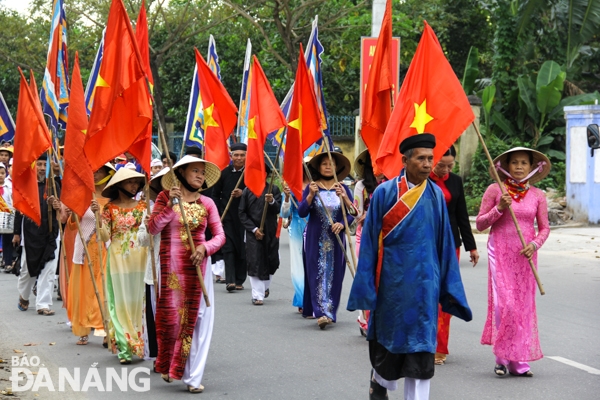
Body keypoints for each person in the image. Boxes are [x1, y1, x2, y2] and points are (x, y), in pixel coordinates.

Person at [347, 134, 472, 400]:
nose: (428, 164)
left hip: (425, 285)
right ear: (405, 160)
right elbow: (369, 244)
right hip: (392, 285)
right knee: (389, 342)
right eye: (421, 158)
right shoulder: (384, 192)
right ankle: (378, 384)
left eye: (431, 158)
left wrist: (448, 286)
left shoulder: (436, 195)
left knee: (421, 351)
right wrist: (367, 287)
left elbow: (445, 245)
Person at [148, 155, 225, 393]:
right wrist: (171, 205)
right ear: (181, 173)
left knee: (199, 321)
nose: (200, 175)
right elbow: (153, 228)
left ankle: (193, 376)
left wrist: (205, 248)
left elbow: (220, 236)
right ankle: (171, 366)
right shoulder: (164, 198)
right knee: (171, 321)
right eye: (195, 171)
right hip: (171, 271)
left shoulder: (208, 203)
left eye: (202, 172)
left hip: (198, 271)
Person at [476, 147, 551, 378]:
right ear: (506, 166)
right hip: (499, 251)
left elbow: (545, 228)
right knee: (504, 306)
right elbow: (480, 223)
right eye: (514, 162)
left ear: (532, 167)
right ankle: (501, 359)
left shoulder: (538, 195)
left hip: (525, 257)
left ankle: (518, 361)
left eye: (524, 163)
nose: (519, 167)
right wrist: (499, 209)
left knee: (522, 309)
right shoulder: (495, 190)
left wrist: (535, 244)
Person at [429, 145, 479, 365]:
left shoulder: (455, 181)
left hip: (450, 245)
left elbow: (461, 215)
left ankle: (440, 347)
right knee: (425, 292)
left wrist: (472, 247)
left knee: (445, 294)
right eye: (442, 165)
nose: (446, 170)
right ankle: (422, 343)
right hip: (425, 243)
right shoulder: (420, 181)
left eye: (451, 165)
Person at [298, 151, 356, 329]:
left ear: (337, 167)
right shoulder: (312, 187)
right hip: (315, 237)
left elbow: (353, 214)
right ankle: (321, 313)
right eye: (324, 163)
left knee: (335, 275)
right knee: (316, 272)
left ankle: (330, 311)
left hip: (336, 239)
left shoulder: (343, 188)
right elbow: (302, 212)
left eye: (331, 163)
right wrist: (309, 196)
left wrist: (341, 222)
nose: (328, 166)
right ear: (318, 167)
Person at [97, 167, 148, 364]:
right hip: (118, 258)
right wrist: (99, 220)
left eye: (136, 182)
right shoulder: (109, 209)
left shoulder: (144, 206)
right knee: (120, 301)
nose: (134, 185)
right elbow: (104, 237)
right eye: (130, 182)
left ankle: (139, 341)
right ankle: (124, 347)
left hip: (140, 258)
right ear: (119, 185)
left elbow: (148, 233)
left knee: (139, 301)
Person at [66, 163, 115, 346]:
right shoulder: (84, 195)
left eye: (99, 171)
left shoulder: (113, 197)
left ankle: (106, 330)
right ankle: (83, 329)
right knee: (85, 291)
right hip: (85, 250)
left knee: (105, 290)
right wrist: (73, 214)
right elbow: (72, 225)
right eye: (92, 171)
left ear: (107, 173)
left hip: (106, 248)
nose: (95, 175)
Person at [15, 155, 63, 316]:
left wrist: (57, 205)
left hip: (51, 232)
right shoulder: (26, 186)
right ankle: (24, 294)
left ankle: (43, 304)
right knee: (26, 269)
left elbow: (64, 209)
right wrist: (16, 233)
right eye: (39, 164)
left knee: (49, 268)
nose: (42, 168)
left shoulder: (55, 186)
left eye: (45, 164)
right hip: (30, 233)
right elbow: (19, 211)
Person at [352, 150, 384, 336]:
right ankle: (364, 319)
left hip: (387, 237)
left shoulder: (393, 182)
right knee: (366, 276)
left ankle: (381, 318)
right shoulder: (362, 186)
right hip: (366, 236)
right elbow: (356, 213)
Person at [239, 166, 281, 306]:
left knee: (272, 260)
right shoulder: (247, 191)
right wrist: (254, 229)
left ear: (267, 175)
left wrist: (271, 202)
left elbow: (279, 209)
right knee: (255, 261)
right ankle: (257, 295)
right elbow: (242, 213)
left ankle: (265, 287)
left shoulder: (273, 190)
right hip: (253, 233)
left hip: (271, 231)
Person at [211, 143, 247, 292]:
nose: (238, 158)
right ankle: (230, 280)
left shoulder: (251, 174)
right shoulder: (223, 173)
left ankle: (240, 279)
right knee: (228, 248)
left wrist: (243, 193)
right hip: (227, 218)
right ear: (231, 156)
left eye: (242, 155)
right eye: (236, 155)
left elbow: (258, 192)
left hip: (246, 218)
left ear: (246, 156)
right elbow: (215, 195)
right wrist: (219, 214)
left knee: (243, 249)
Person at [280, 159, 310, 313]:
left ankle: (316, 301)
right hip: (298, 228)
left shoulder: (318, 187)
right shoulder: (291, 189)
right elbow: (284, 213)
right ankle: (302, 299)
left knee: (316, 265)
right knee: (299, 266)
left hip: (316, 227)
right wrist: (286, 198)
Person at [0, 163, 13, 271]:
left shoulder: (9, 187)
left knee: (7, 241)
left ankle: (8, 262)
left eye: (2, 173)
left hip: (7, 217)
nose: (0, 175)